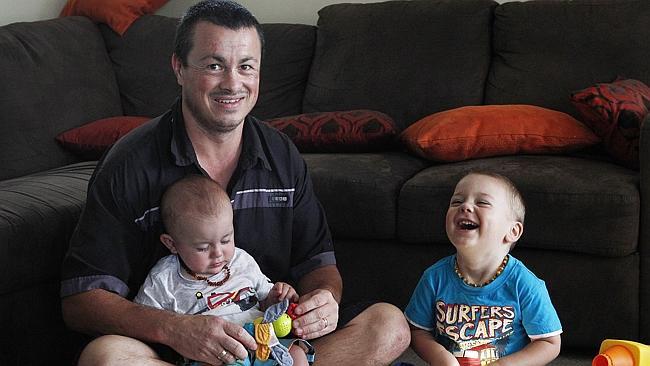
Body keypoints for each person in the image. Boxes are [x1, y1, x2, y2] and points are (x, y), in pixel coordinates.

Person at [60, 1, 410, 365]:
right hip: (178, 353)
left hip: (270, 345)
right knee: (106, 357)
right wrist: (175, 328)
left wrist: (324, 299)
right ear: (179, 68)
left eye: (246, 67)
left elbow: (316, 262)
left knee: (390, 326)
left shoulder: (281, 154)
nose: (232, 83)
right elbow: (81, 302)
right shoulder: (128, 165)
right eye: (214, 65)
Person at [134, 174, 312, 365]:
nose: (218, 253)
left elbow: (264, 299)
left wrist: (277, 297)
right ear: (172, 244)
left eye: (226, 239)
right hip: (215, 354)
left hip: (262, 339)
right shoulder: (164, 279)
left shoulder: (241, 260)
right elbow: (142, 320)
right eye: (203, 247)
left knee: (297, 355)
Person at [404, 171, 562, 365]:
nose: (465, 206)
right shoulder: (434, 277)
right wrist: (441, 358)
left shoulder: (525, 284)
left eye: (483, 203)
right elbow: (417, 330)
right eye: (456, 202)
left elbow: (549, 342)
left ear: (512, 231)